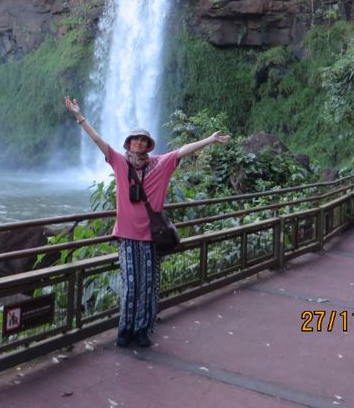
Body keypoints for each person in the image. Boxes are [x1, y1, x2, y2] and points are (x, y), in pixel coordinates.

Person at [64, 95, 230, 348]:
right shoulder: (119, 162)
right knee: (131, 285)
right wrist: (79, 115)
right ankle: (125, 330)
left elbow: (183, 150)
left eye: (143, 140)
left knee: (148, 286)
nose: (139, 143)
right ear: (129, 143)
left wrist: (209, 139)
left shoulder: (161, 164)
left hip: (152, 236)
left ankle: (142, 330)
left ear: (148, 145)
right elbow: (98, 140)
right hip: (127, 236)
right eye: (135, 139)